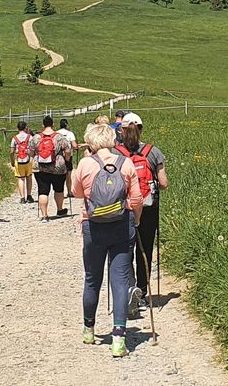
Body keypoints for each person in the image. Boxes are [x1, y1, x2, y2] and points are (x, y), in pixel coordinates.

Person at [71, 123, 143, 358]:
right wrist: (136, 221)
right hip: (122, 226)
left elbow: (77, 193)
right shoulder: (126, 163)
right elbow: (137, 199)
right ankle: (119, 339)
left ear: (91, 142)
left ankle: (89, 330)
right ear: (113, 140)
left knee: (92, 278)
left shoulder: (85, 164)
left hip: (93, 226)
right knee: (120, 280)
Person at [116, 112, 169, 314]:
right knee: (144, 249)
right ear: (141, 129)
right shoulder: (153, 152)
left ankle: (128, 290)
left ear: (122, 130)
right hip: (148, 207)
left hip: (124, 208)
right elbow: (163, 184)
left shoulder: (115, 153)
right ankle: (143, 293)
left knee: (124, 250)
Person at [29, 115, 72, 221]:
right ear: (53, 124)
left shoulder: (36, 137)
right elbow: (67, 150)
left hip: (40, 167)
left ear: (43, 125)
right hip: (57, 167)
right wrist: (66, 160)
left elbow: (30, 152)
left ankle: (44, 215)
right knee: (59, 189)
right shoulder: (60, 137)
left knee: (43, 190)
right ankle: (60, 209)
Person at [10, 120, 35, 203]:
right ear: (25, 127)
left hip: (19, 160)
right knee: (29, 177)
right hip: (28, 159)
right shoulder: (30, 137)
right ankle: (29, 195)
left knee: (21, 178)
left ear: (18, 128)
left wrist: (12, 160)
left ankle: (22, 197)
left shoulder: (14, 138)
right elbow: (32, 149)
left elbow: (12, 151)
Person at [57, 117, 78, 182]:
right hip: (68, 156)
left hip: (58, 156)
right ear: (66, 125)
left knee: (59, 174)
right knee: (68, 174)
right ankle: (69, 190)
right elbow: (74, 145)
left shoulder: (56, 133)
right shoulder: (70, 133)